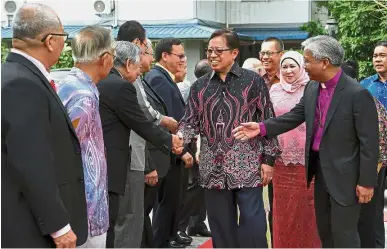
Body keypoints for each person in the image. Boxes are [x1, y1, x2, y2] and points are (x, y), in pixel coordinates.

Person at [233, 35, 379, 248]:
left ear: (325, 62)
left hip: (346, 178)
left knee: (345, 235)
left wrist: (366, 182)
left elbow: (369, 142)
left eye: (308, 61)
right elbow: (294, 116)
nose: (305, 66)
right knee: (325, 232)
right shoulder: (312, 88)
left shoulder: (357, 93)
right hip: (319, 173)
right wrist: (262, 127)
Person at [177, 29, 281, 248]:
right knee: (221, 229)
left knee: (253, 226)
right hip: (212, 169)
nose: (212, 55)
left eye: (218, 50)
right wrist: (178, 140)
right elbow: (189, 122)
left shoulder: (253, 82)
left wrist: (269, 160)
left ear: (234, 53)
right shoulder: (200, 86)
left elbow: (267, 121)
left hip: (248, 166)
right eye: (209, 50)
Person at [2, 3, 87, 247]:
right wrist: (58, 226)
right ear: (50, 41)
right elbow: (31, 162)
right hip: (29, 226)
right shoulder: (21, 84)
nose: (64, 44)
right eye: (63, 37)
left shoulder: (18, 75)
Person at [97, 41, 184, 248]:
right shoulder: (120, 86)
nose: (138, 74)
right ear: (128, 64)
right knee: (127, 221)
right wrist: (170, 140)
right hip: (120, 161)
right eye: (137, 67)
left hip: (107, 161)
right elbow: (141, 122)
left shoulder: (103, 81)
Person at [56, 25, 114, 248]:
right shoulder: (83, 97)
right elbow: (69, 152)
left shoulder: (69, 85)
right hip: (85, 207)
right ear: (105, 58)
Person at [146, 37, 194, 248]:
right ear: (164, 56)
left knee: (172, 201)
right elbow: (165, 120)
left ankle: (167, 237)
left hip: (172, 149)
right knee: (166, 203)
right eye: (180, 56)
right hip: (168, 151)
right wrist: (180, 150)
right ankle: (161, 241)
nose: (184, 60)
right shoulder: (157, 78)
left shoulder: (166, 77)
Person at [269, 51, 320, 248]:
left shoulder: (312, 89)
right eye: (284, 67)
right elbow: (270, 122)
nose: (288, 71)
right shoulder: (274, 90)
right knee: (284, 212)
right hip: (282, 162)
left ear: (301, 67)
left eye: (293, 66)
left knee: (309, 211)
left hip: (308, 162)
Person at [178, 59, 212, 238]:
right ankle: (181, 226)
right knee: (193, 187)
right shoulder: (196, 91)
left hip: (203, 145)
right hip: (194, 144)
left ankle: (197, 223)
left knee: (201, 187)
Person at [359, 41, 387, 248]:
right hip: (377, 155)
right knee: (374, 208)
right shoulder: (364, 85)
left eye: (382, 55)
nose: (377, 59)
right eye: (375, 55)